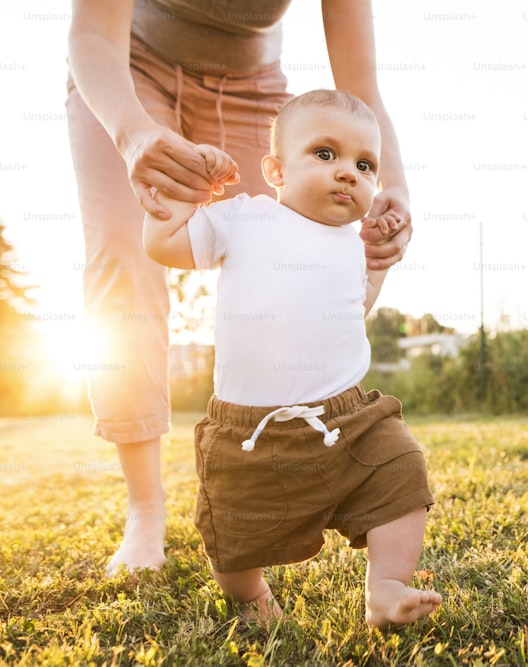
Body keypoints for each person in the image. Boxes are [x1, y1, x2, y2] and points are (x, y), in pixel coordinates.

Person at [66, 0, 413, 576]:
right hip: (125, 69)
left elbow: (360, 84)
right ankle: (145, 509)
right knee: (124, 253)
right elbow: (93, 37)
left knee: (292, 252)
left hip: (254, 86)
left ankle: (289, 471)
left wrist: (393, 189)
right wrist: (133, 138)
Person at [142, 89, 441, 627]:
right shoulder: (245, 218)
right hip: (249, 432)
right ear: (275, 170)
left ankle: (387, 585)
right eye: (325, 154)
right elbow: (166, 245)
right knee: (231, 541)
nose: (348, 172)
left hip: (348, 421)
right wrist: (182, 193)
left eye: (364, 164)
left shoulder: (351, 242)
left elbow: (356, 308)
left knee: (402, 472)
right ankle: (251, 595)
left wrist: (378, 265)